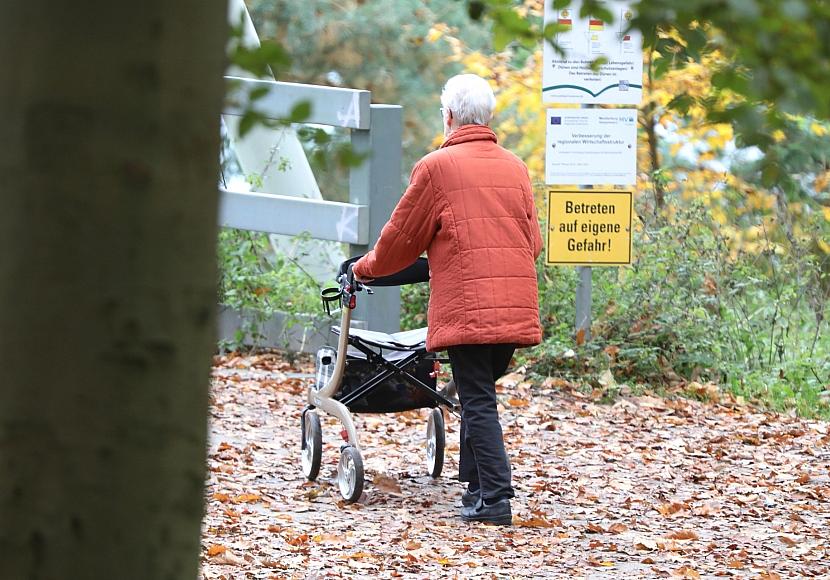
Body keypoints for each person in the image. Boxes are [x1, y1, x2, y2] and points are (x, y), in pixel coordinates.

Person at [353, 73, 542, 525]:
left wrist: (362, 269)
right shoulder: (515, 166)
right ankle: (477, 488)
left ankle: (494, 499)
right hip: (515, 304)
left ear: (450, 117)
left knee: (476, 398)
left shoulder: (436, 168)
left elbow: (399, 243)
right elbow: (532, 243)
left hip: (469, 306)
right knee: (480, 392)